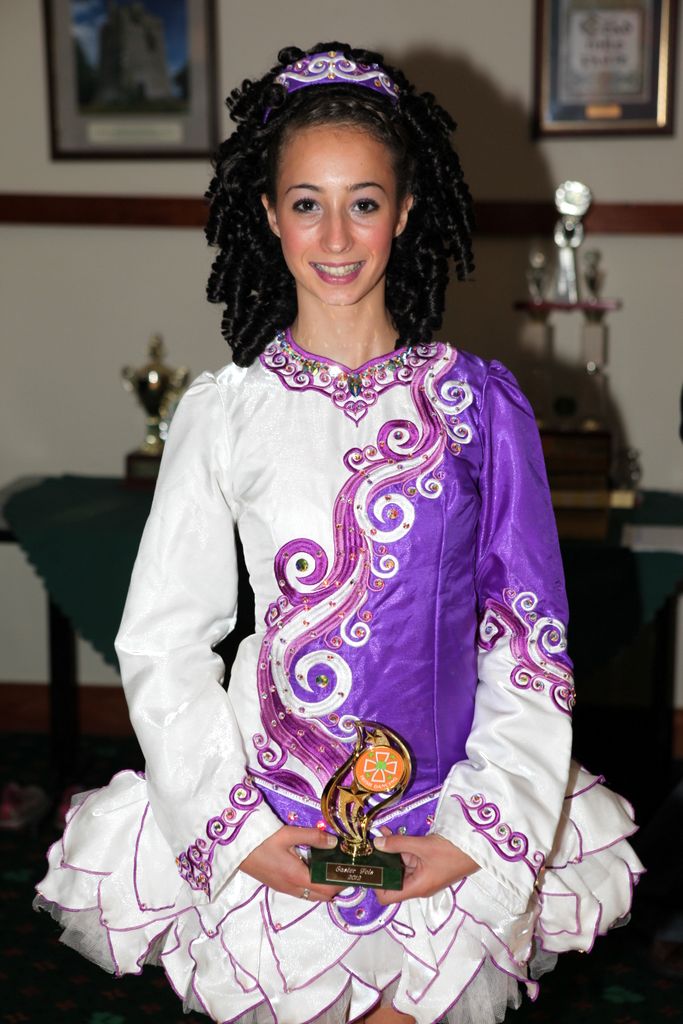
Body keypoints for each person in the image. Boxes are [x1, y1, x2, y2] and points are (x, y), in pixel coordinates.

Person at [35, 42, 643, 1024]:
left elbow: (526, 639)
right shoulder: (225, 414)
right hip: (272, 824)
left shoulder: (479, 407)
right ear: (268, 215)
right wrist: (236, 833)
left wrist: (474, 835)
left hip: (440, 826)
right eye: (305, 203)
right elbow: (163, 642)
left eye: (362, 202)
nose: (334, 235)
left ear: (403, 213)